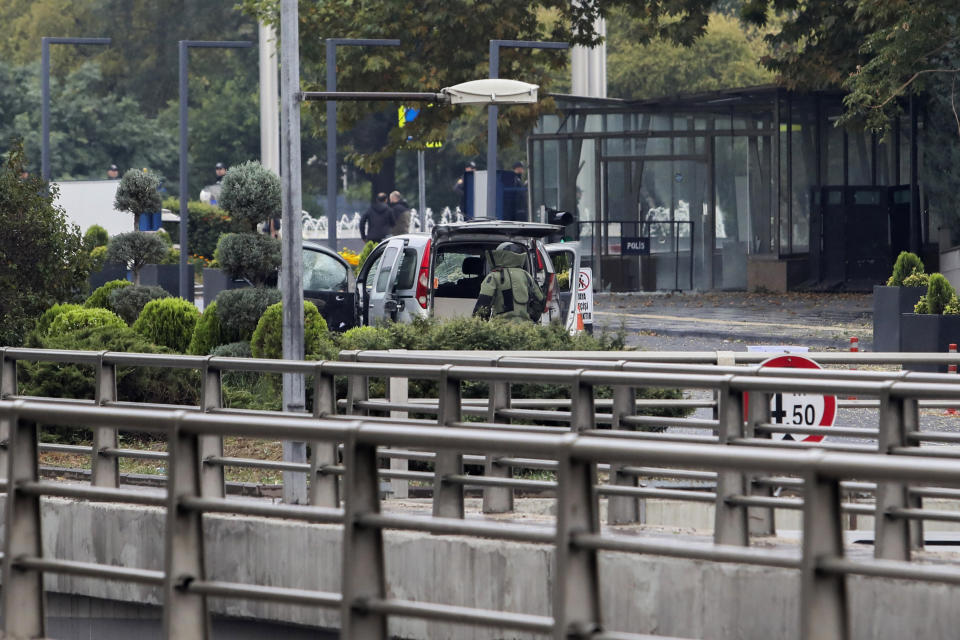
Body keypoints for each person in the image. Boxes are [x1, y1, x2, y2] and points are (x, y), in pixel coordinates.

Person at [472, 242, 545, 322]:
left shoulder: (494, 276)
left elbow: (483, 304)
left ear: (499, 255)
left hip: (502, 329)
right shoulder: (527, 276)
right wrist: (532, 318)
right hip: (525, 329)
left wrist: (479, 325)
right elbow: (540, 301)